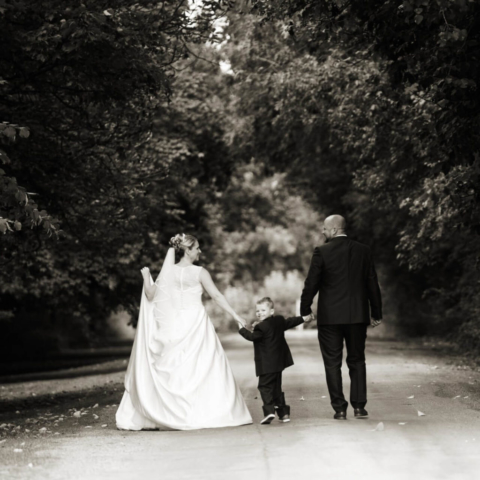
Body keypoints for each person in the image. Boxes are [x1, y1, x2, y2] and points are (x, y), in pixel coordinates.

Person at [116, 233, 253, 431]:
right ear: (187, 250)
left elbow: (150, 294)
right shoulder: (199, 272)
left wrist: (147, 277)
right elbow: (215, 295)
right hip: (195, 322)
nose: (200, 251)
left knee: (177, 368)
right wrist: (235, 315)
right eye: (197, 248)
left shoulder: (168, 271)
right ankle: (204, 412)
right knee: (203, 367)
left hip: (173, 325)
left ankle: (171, 412)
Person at [300, 215, 382, 420]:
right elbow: (372, 283)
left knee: (332, 363)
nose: (323, 232)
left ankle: (339, 408)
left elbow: (312, 283)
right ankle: (359, 407)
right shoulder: (363, 251)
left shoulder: (322, 252)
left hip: (330, 318)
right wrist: (376, 312)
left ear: (335, 230)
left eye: (325, 229)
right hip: (356, 316)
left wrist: (305, 309)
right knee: (357, 360)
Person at [237, 297, 313, 424]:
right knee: (276, 388)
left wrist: (241, 329)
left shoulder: (260, 327)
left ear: (271, 311)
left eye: (263, 310)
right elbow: (290, 322)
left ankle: (269, 411)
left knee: (264, 387)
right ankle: (284, 414)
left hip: (266, 365)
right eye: (257, 311)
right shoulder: (278, 321)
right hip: (279, 363)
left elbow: (252, 337)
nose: (259, 313)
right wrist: (303, 318)